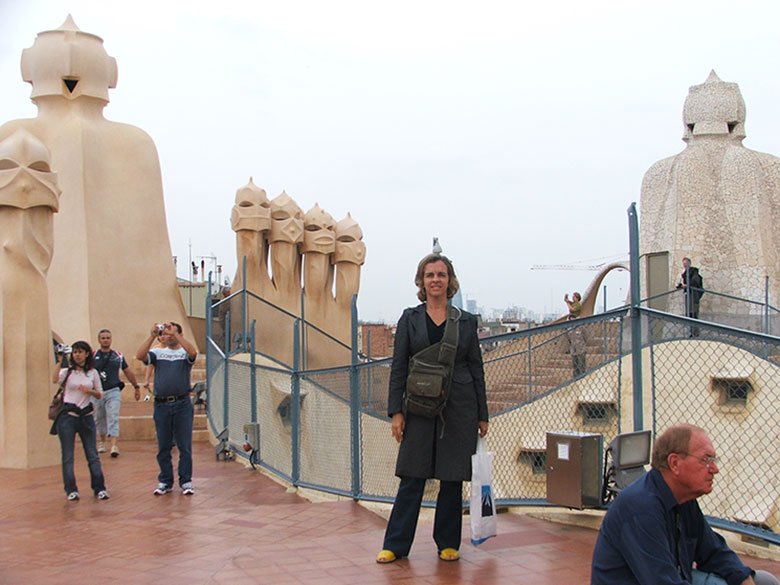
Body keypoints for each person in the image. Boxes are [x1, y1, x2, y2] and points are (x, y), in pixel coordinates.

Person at [375, 253, 489, 564]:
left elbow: (476, 368)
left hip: (459, 407)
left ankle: (448, 543)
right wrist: (396, 412)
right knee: (412, 476)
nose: (435, 280)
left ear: (450, 281)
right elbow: (399, 367)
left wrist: (482, 414)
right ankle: (395, 545)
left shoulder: (465, 322)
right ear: (421, 282)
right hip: (418, 407)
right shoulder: (410, 319)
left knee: (451, 479)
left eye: (441, 274)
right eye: (430, 275)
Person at [591, 424, 779, 585]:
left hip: (674, 578)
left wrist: (744, 580)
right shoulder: (640, 509)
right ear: (675, 463)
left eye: (714, 460)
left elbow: (714, 551)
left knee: (763, 581)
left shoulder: (684, 499)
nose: (715, 469)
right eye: (706, 460)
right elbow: (663, 581)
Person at [136, 322, 197, 496]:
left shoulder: (184, 352)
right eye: (166, 332)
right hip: (162, 404)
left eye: (172, 332)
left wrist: (176, 334)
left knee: (184, 445)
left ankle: (186, 481)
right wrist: (152, 334)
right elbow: (140, 355)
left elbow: (193, 353)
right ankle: (165, 480)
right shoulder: (157, 352)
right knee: (163, 445)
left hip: (182, 404)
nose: (168, 335)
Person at [51, 341, 110, 501]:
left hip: (86, 416)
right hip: (68, 417)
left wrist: (89, 391)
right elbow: (54, 379)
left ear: (86, 354)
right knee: (68, 456)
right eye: (75, 352)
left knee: (92, 454)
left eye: (80, 352)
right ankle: (71, 489)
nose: (77, 355)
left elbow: (100, 394)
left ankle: (99, 488)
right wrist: (59, 360)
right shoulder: (67, 372)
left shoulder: (92, 373)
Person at [93, 329, 141, 457]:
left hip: (113, 390)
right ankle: (102, 441)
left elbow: (127, 371)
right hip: (97, 392)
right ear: (99, 340)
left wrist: (136, 386)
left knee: (113, 416)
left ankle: (114, 444)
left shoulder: (117, 356)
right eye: (103, 338)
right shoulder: (93, 356)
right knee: (99, 417)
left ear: (111, 339)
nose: (105, 340)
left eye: (108, 337)